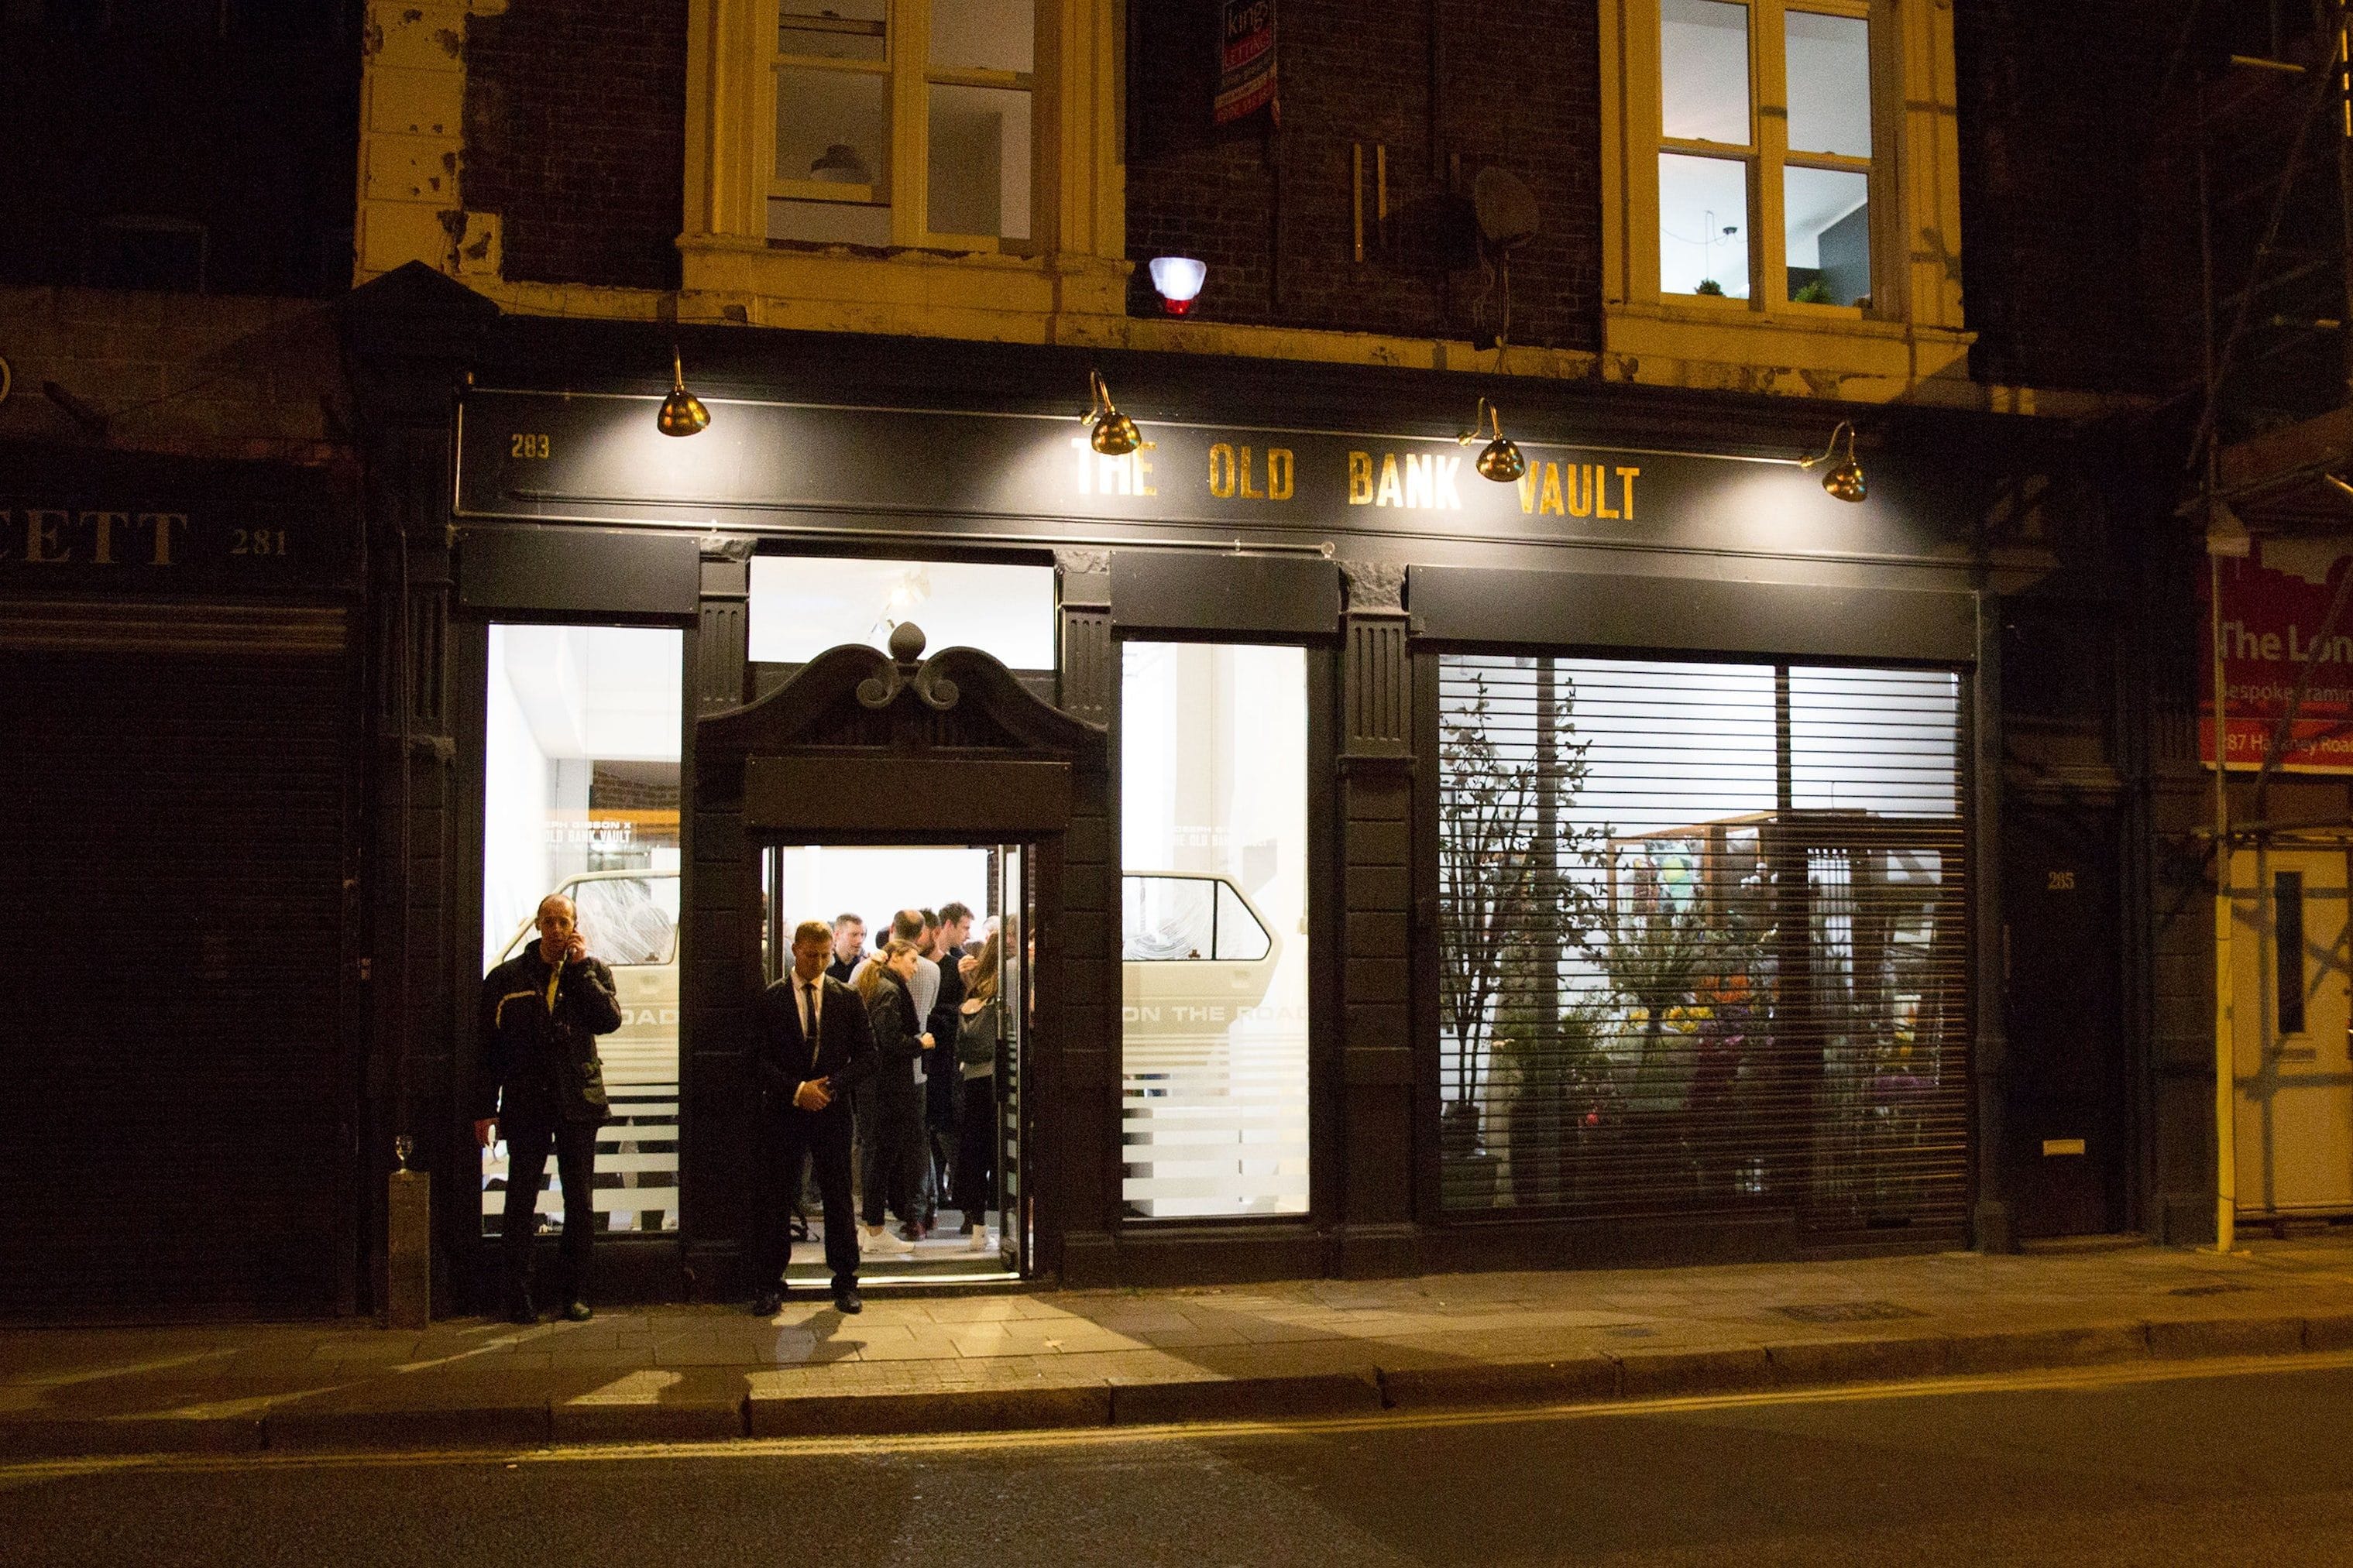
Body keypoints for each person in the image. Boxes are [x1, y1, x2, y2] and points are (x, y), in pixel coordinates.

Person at [476, 893, 622, 1325]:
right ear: (538, 925)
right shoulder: (506, 978)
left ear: (575, 926)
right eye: (549, 921)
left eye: (564, 922)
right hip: (526, 1101)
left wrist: (579, 969)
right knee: (520, 1198)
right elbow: (488, 1049)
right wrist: (485, 1108)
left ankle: (575, 1294)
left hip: (578, 1101)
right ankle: (518, 1295)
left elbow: (608, 1020)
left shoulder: (592, 971)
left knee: (580, 1201)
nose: (556, 929)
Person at [750, 918, 878, 1316]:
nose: (819, 963)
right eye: (811, 955)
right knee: (776, 1195)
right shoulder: (771, 999)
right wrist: (796, 1090)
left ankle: (845, 1281)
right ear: (795, 950)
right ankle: (770, 1283)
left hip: (832, 1110)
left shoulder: (846, 996)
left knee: (838, 1195)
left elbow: (869, 1056)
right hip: (784, 1112)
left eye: (825, 955)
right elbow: (755, 1059)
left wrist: (829, 1088)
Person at [854, 938, 933, 1256]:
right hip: (887, 1088)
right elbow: (888, 1041)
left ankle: (870, 1227)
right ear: (895, 958)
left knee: (877, 1155)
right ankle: (874, 1229)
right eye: (912, 960)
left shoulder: (879, 985)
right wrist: (920, 1044)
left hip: (876, 1087)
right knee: (881, 1156)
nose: (916, 967)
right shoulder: (889, 990)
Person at [952, 930, 1005, 1251]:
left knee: (973, 1150)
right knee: (1005, 1149)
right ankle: (1014, 1224)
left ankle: (976, 1225)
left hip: (971, 1079)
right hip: (999, 1079)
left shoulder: (973, 993)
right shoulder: (1007, 991)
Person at [923, 902, 974, 1224]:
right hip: (929, 1060)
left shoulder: (956, 966)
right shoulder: (932, 968)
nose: (967, 935)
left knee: (945, 1132)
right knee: (933, 1134)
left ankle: (964, 1201)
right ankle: (933, 1200)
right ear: (945, 926)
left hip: (942, 1061)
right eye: (965, 928)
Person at [826, 913, 866, 985]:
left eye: (862, 935)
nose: (860, 941)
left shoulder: (863, 965)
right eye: (854, 935)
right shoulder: (825, 964)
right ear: (837, 935)